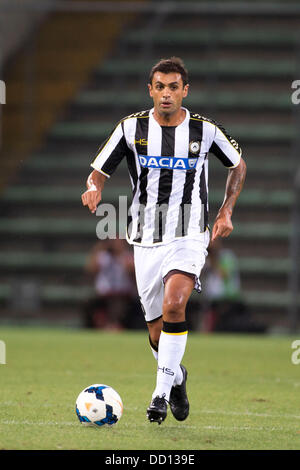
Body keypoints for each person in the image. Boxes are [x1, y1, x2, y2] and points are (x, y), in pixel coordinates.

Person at [81, 57, 247, 424]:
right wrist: (93, 189)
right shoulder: (130, 128)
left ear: (185, 91)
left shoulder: (204, 130)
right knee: (157, 333)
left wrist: (225, 210)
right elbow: (98, 172)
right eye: (161, 86)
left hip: (189, 234)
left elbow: (237, 164)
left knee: (176, 305)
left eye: (174, 87)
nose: (167, 93)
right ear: (151, 90)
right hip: (145, 239)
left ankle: (158, 396)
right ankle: (178, 378)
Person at [83, 238, 141, 330]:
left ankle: (120, 325)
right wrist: (99, 248)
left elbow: (135, 275)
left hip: (124, 295)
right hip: (104, 295)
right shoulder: (103, 256)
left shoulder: (128, 257)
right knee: (89, 304)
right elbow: (90, 269)